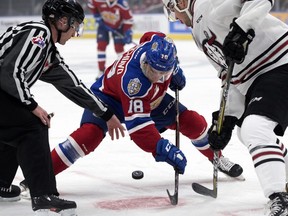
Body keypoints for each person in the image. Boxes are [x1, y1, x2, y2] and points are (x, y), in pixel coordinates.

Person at [19, 32, 243, 199]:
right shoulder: (134, 81)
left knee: (192, 121)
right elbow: (140, 130)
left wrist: (174, 72)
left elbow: (149, 36)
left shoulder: (158, 49)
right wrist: (162, 148)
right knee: (88, 136)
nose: (158, 75)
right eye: (154, 70)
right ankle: (37, 177)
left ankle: (217, 157)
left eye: (164, 71)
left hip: (150, 99)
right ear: (146, 62)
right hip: (109, 98)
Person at [162, 0, 288, 215]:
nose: (177, 20)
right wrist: (227, 118)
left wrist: (242, 30)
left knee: (254, 128)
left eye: (173, 12)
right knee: (244, 132)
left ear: (181, 2)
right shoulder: (197, 32)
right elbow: (228, 74)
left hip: (279, 62)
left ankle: (280, 199)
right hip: (259, 77)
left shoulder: (208, 2)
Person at [0, 0, 125, 215]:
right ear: (62, 21)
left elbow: (72, 85)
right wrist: (32, 106)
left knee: (18, 125)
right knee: (33, 126)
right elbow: (9, 73)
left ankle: (1, 183)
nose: (76, 32)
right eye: (75, 25)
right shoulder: (39, 35)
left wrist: (105, 113)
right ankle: (44, 196)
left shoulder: (46, 50)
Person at [87, 0, 134, 80]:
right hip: (103, 25)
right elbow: (91, 5)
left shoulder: (122, 4)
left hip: (118, 27)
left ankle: (122, 71)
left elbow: (129, 19)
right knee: (101, 46)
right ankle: (101, 71)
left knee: (119, 48)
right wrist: (97, 16)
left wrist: (127, 32)